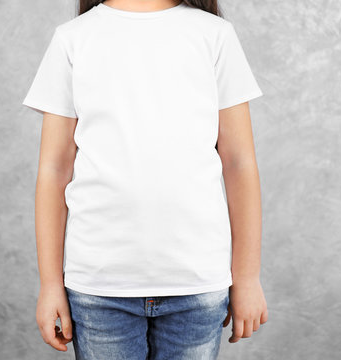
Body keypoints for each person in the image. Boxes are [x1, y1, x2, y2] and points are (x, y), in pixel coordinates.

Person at [22, 0, 268, 358]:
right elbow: (54, 169)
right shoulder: (74, 39)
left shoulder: (214, 35)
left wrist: (246, 278)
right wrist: (49, 285)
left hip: (196, 282)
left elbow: (239, 163)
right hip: (98, 287)